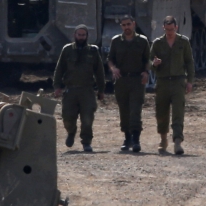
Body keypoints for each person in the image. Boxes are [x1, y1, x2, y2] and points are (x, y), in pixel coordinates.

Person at [53, 24, 105, 152]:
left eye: (83, 35)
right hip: (71, 90)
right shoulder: (67, 50)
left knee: (87, 118)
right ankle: (71, 132)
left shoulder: (93, 51)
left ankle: (86, 142)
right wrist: (57, 86)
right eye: (79, 35)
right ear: (74, 35)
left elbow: (99, 72)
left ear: (87, 36)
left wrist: (101, 90)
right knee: (67, 116)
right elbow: (59, 69)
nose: (81, 37)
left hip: (87, 90)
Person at [150, 15, 194, 155]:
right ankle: (163, 139)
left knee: (178, 113)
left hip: (178, 81)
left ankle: (177, 142)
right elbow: (149, 63)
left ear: (176, 27)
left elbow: (189, 62)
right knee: (161, 112)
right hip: (162, 82)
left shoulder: (183, 42)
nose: (169, 32)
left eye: (172, 29)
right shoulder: (157, 43)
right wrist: (154, 64)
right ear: (163, 28)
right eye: (167, 29)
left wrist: (190, 81)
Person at [107, 15, 150, 153]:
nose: (126, 27)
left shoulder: (142, 41)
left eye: (128, 24)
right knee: (124, 110)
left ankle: (136, 139)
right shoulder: (116, 41)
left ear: (134, 24)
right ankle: (127, 138)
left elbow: (147, 60)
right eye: (124, 25)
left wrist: (146, 72)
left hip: (137, 80)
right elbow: (110, 59)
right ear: (121, 27)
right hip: (121, 80)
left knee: (135, 110)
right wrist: (113, 69)